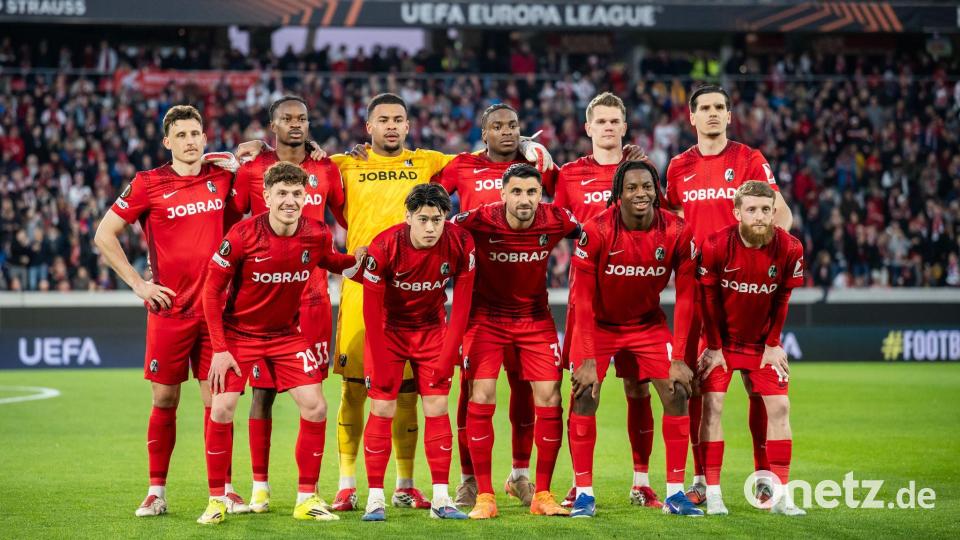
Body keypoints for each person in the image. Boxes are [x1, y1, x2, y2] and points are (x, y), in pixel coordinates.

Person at [94, 105, 247, 517]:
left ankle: (225, 490)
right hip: (171, 311)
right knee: (164, 399)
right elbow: (104, 233)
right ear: (167, 141)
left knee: (218, 403)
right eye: (181, 135)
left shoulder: (222, 176)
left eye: (196, 133)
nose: (191, 140)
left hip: (216, 312)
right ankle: (157, 492)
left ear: (204, 136)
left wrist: (249, 153)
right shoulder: (148, 183)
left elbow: (265, 171)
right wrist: (140, 285)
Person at [198, 161, 365, 524]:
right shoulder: (242, 235)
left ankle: (307, 498)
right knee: (222, 408)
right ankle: (216, 500)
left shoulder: (317, 233)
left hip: (286, 335)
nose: (290, 200)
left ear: (306, 196)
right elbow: (211, 292)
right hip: (239, 334)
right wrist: (220, 349)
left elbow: (332, 261)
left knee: (316, 407)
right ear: (266, 196)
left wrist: (361, 259)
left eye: (296, 193)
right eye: (282, 194)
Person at [664, 85, 793, 504]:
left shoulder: (750, 159)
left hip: (746, 292)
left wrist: (763, 260)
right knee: (700, 387)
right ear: (692, 117)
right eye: (705, 108)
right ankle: (702, 480)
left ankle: (763, 476)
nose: (713, 114)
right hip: (699, 292)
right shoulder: (678, 167)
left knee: (760, 388)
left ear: (730, 115)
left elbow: (781, 213)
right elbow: (676, 227)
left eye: (720, 107)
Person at [227, 95, 345, 513]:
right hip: (263, 304)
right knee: (262, 394)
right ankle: (260, 486)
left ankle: (308, 492)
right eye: (287, 119)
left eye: (303, 119)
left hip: (313, 301)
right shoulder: (253, 167)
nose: (296, 125)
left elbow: (347, 217)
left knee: (312, 398)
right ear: (271, 125)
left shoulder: (327, 167)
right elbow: (229, 221)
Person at [565, 160, 701, 518]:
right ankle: (583, 493)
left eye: (647, 187)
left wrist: (681, 356)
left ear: (656, 191)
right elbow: (580, 298)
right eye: (632, 188)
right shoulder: (595, 230)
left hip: (647, 325)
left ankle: (674, 493)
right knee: (584, 395)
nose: (640, 194)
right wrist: (589, 359)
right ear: (617, 194)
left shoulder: (676, 230)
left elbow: (687, 295)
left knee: (677, 392)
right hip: (599, 325)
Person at [554, 92, 662, 509]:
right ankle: (580, 485)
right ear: (588, 128)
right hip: (589, 304)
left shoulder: (644, 172)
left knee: (640, 389)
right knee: (585, 390)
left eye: (615, 121)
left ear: (625, 126)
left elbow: (661, 219)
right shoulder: (569, 175)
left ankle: (642, 482)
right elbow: (560, 224)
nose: (609, 128)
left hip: (638, 302)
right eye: (601, 121)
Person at [455, 163, 580, 519]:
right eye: (516, 192)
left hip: (535, 320)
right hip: (486, 319)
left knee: (550, 396)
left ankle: (542, 492)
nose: (524, 199)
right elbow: (439, 232)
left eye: (531, 192)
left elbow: (591, 231)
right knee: (481, 395)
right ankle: (485, 496)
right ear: (503, 193)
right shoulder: (479, 219)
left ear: (540, 195)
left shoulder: (555, 219)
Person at [358, 184, 475, 522]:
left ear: (445, 218)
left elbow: (463, 305)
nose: (429, 228)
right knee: (382, 406)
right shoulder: (384, 246)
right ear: (408, 217)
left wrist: (447, 353)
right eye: (422, 219)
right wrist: (379, 361)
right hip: (388, 332)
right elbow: (370, 311)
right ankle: (375, 499)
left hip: (432, 331)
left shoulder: (461, 243)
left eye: (436, 220)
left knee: (437, 406)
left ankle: (441, 499)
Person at [696, 180, 805, 517]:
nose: (760, 216)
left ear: (775, 212)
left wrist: (772, 344)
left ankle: (781, 493)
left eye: (766, 210)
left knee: (781, 407)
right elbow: (707, 300)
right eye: (753, 210)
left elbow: (783, 298)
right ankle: (712, 493)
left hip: (762, 344)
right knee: (712, 406)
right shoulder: (716, 245)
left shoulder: (790, 248)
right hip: (721, 342)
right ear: (738, 212)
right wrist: (714, 347)